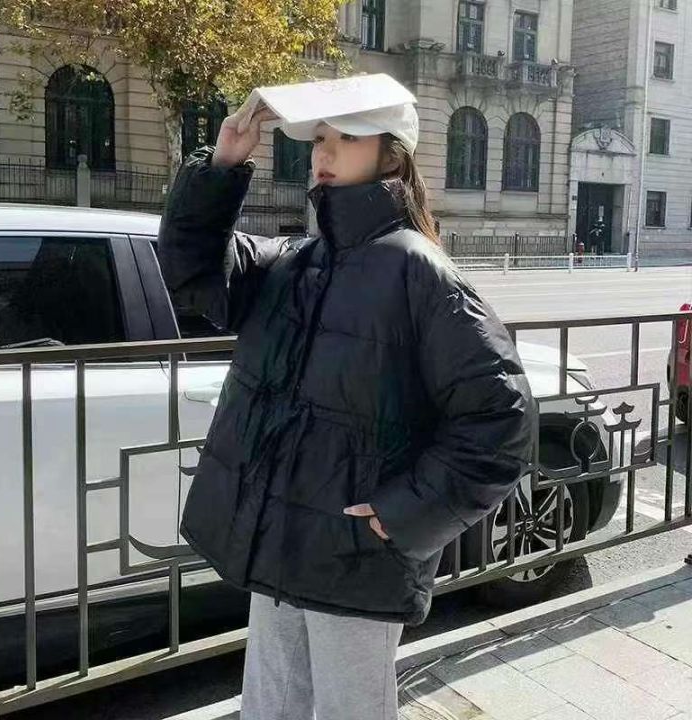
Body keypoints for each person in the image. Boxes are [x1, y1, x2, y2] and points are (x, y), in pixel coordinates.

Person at [157, 74, 536, 720]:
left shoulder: (419, 271)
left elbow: (502, 420)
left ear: (391, 154)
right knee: (270, 707)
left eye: (344, 138)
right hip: (280, 543)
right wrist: (222, 165)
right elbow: (192, 273)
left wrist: (404, 513)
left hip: (356, 556)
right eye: (318, 140)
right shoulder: (298, 262)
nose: (323, 154)